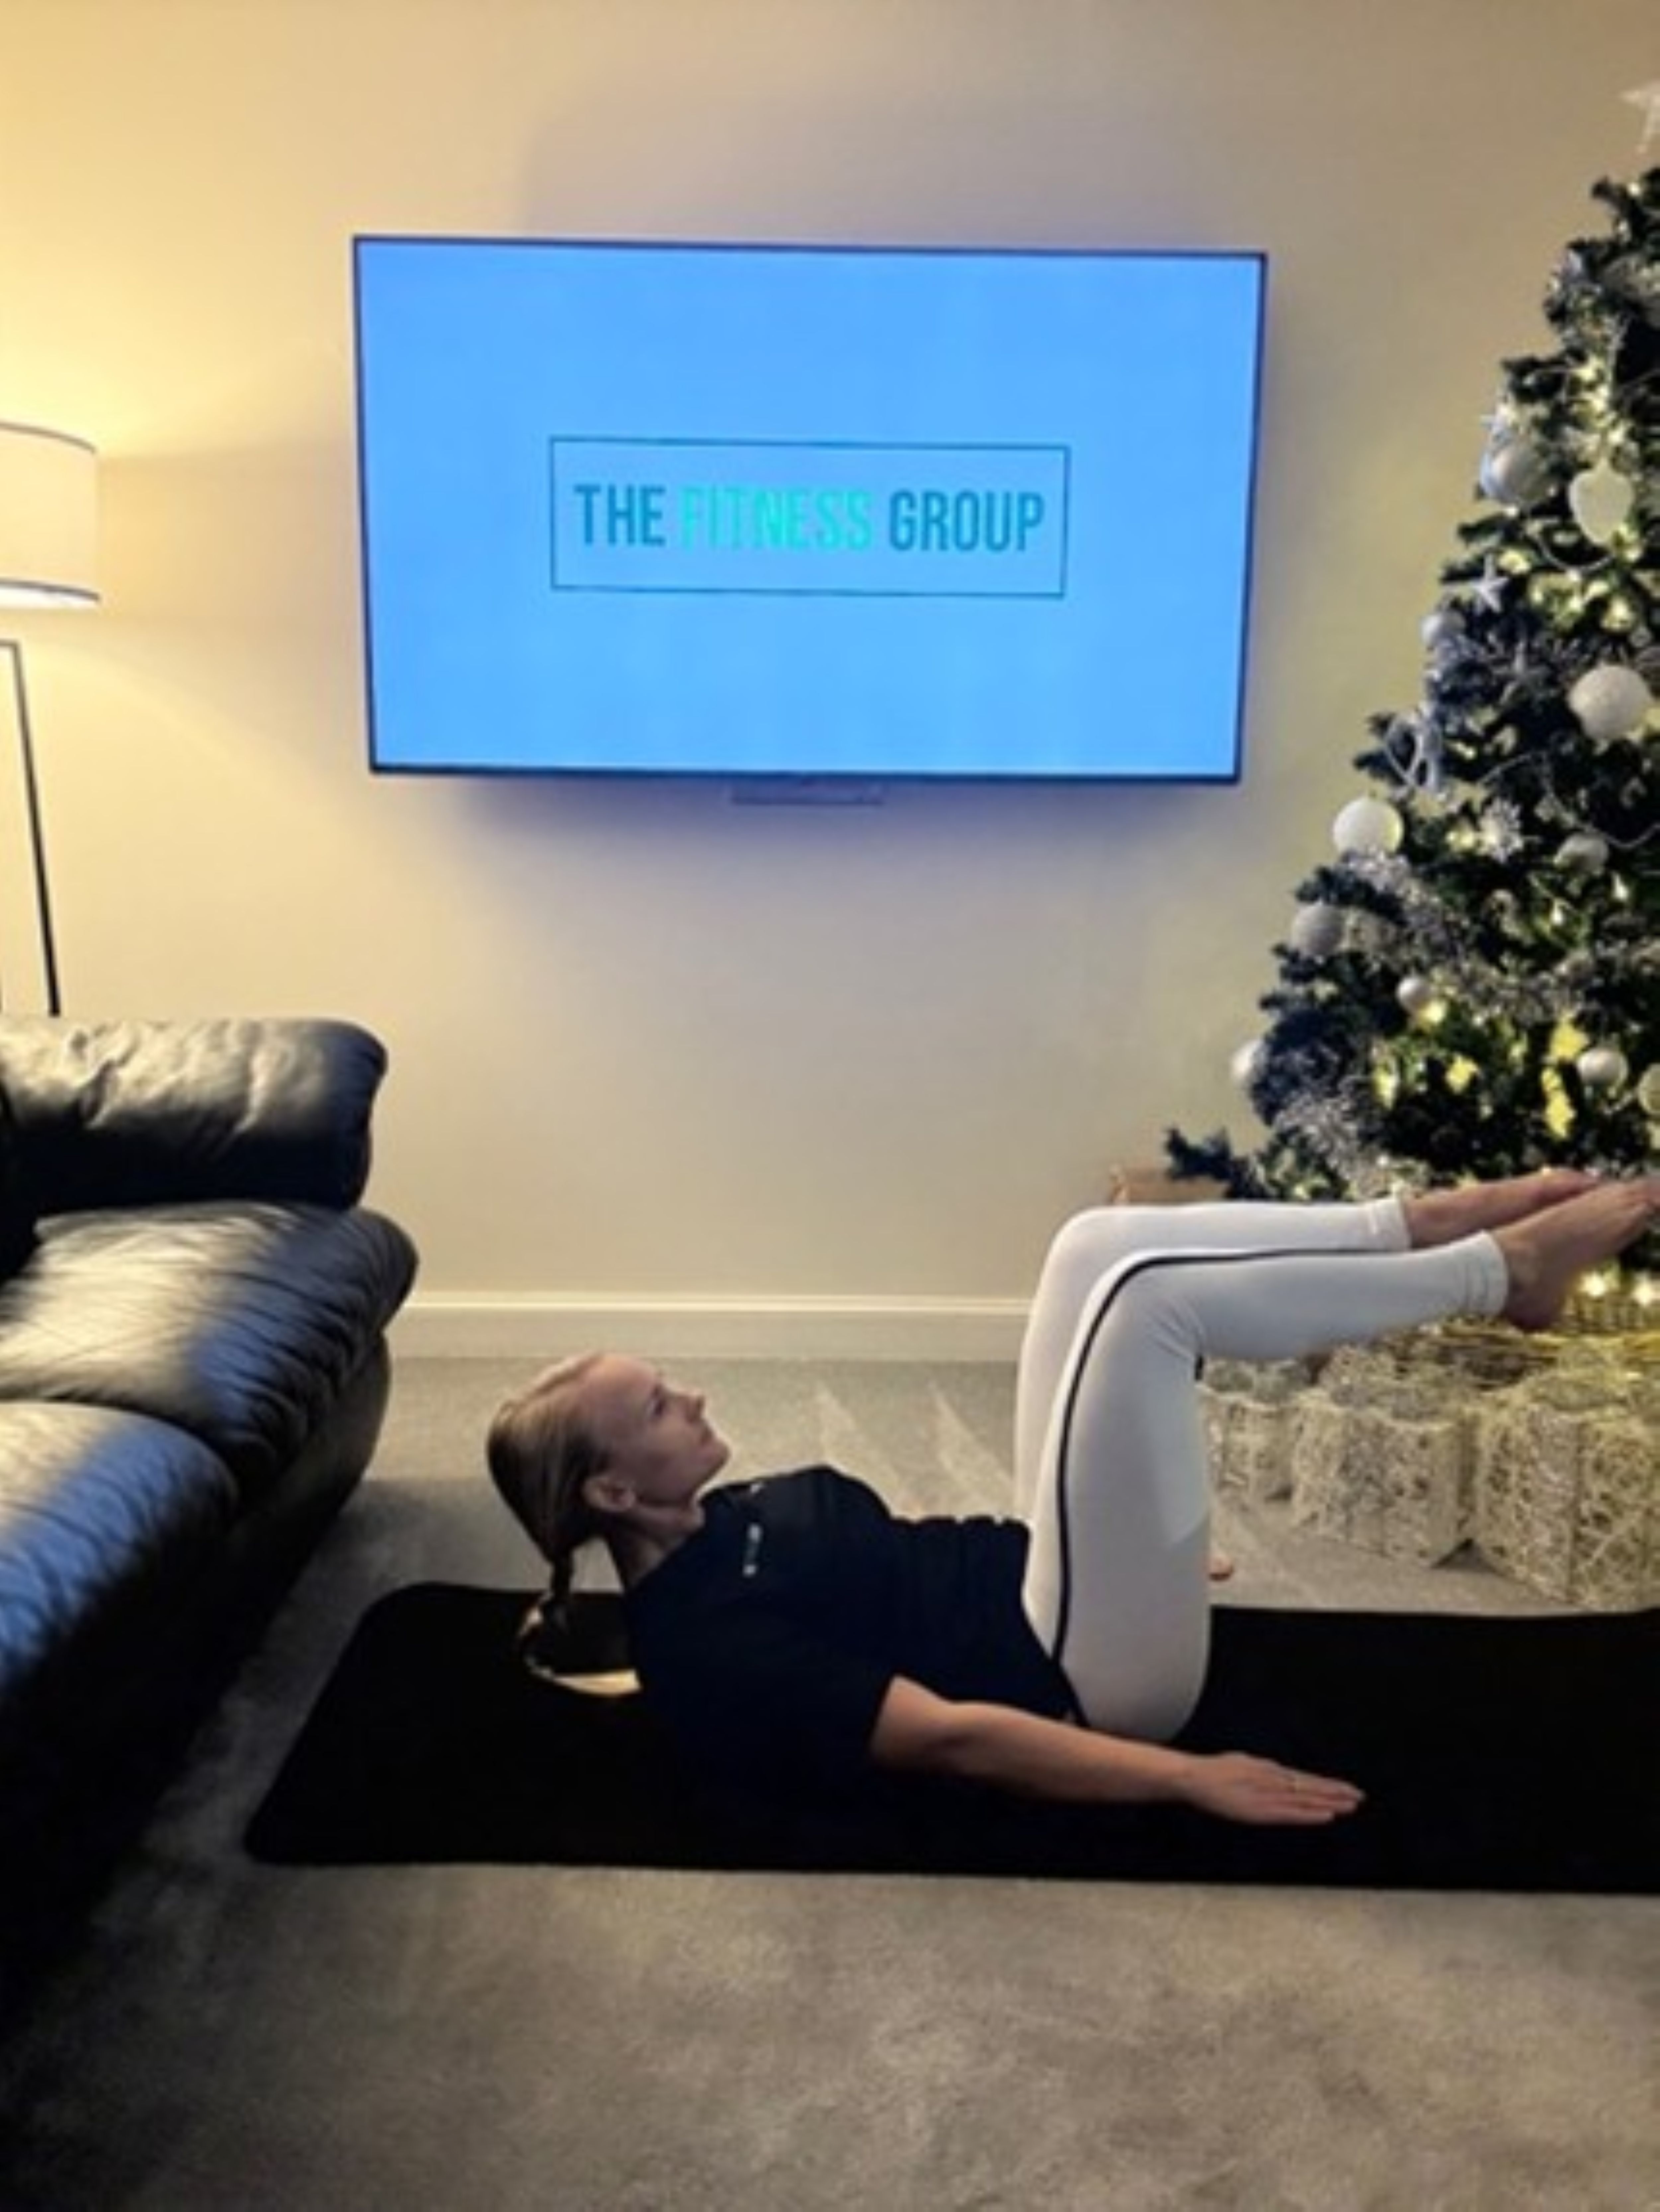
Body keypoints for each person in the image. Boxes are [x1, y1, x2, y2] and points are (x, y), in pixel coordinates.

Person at [487, 1172, 1659, 1829]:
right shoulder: (710, 1644)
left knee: (1091, 1246)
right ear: (611, 1487)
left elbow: (895, 1565)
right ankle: (1497, 1274)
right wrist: (1194, 1781)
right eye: (654, 1407)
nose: (688, 1395)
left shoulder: (705, 1522)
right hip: (1086, 1678)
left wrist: (1127, 1557)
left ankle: (1419, 1223)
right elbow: (954, 1742)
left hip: (1070, 1586)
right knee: (1148, 1307)